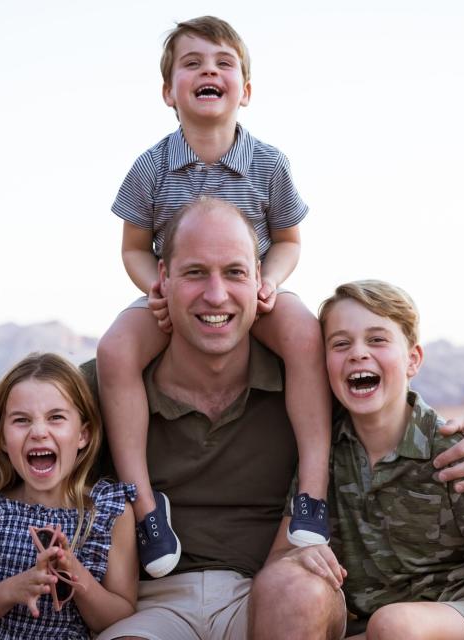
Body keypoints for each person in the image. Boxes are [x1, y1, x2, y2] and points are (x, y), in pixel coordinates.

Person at [0, 198, 464, 640]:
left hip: (272, 596)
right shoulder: (105, 392)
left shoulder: (308, 385)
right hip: (151, 605)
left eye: (234, 273)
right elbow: (3, 497)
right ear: (162, 281)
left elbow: (389, 408)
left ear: (261, 285)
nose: (216, 295)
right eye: (195, 272)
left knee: (298, 588)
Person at [96, 15, 333, 579]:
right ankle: (146, 508)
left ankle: (314, 493)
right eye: (193, 63)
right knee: (114, 351)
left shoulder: (268, 163)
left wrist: (269, 280)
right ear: (168, 91)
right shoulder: (152, 166)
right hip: (177, 296)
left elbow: (288, 239)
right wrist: (152, 284)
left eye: (224, 63)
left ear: (245, 91)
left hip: (251, 292)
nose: (209, 71)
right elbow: (132, 247)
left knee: (303, 332)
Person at [308, 280, 464, 639]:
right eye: (340, 343)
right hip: (376, 627)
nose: (358, 353)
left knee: (395, 624)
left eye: (377, 340)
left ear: (413, 359)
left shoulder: (456, 452)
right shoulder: (322, 449)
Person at [0, 353, 138, 640]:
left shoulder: (108, 512)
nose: (39, 431)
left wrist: (73, 574)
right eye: (21, 420)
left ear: (83, 435)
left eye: (56, 418)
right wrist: (11, 590)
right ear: (2, 439)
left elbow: (117, 618)